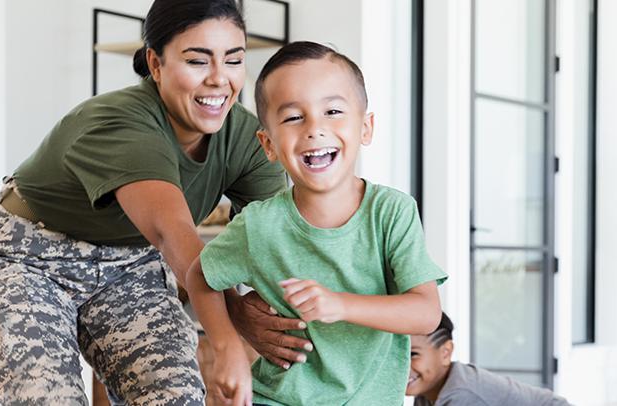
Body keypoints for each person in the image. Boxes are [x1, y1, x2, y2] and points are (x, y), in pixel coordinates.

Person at [0, 0, 313, 404]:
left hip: (130, 263)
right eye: (198, 61)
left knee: (175, 395)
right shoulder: (121, 122)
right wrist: (227, 340)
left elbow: (282, 245)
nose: (220, 79)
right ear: (156, 63)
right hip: (28, 257)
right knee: (48, 398)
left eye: (233, 60)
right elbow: (172, 234)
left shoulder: (248, 140)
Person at [185, 41, 449, 406]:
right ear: (268, 144)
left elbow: (425, 313)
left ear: (366, 128)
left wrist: (340, 305)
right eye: (294, 117)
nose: (314, 129)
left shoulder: (392, 212)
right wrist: (227, 347)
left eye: (333, 111)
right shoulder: (259, 224)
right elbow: (199, 276)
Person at [407, 313, 574, 406]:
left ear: (445, 352)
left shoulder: (464, 396)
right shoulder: (428, 390)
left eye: (413, 354)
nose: (402, 366)